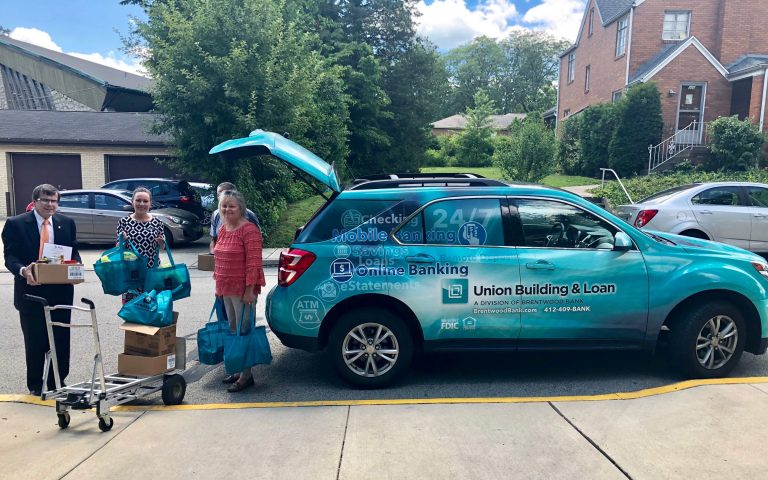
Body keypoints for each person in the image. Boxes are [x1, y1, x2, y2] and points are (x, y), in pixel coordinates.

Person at [2, 184, 81, 396]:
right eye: (45, 200)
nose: (50, 205)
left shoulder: (66, 223)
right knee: (36, 340)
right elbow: (10, 256)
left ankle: (58, 380)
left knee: (61, 339)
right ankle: (36, 384)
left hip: (61, 292)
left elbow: (74, 252)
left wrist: (76, 270)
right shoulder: (15, 224)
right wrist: (22, 271)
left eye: (54, 201)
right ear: (35, 201)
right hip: (31, 292)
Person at [213, 189, 266, 393]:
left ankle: (246, 375)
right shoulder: (223, 229)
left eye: (231, 206)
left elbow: (254, 263)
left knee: (244, 330)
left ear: (241, 208)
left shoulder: (250, 230)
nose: (227, 209)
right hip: (226, 288)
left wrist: (249, 290)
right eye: (224, 205)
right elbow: (220, 259)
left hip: (243, 291)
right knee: (233, 329)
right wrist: (219, 286)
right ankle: (237, 369)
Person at [116, 187, 165, 303]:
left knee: (152, 308)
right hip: (131, 273)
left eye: (145, 201)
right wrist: (121, 241)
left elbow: (162, 248)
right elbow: (118, 248)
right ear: (132, 202)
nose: (141, 204)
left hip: (152, 272)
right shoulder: (123, 222)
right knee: (132, 310)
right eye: (138, 200)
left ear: (150, 203)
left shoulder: (157, 222)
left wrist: (162, 243)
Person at [209, 182, 260, 253]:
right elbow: (213, 239)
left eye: (225, 194)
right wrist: (212, 256)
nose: (221, 197)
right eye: (218, 195)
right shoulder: (216, 215)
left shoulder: (249, 215)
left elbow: (255, 243)